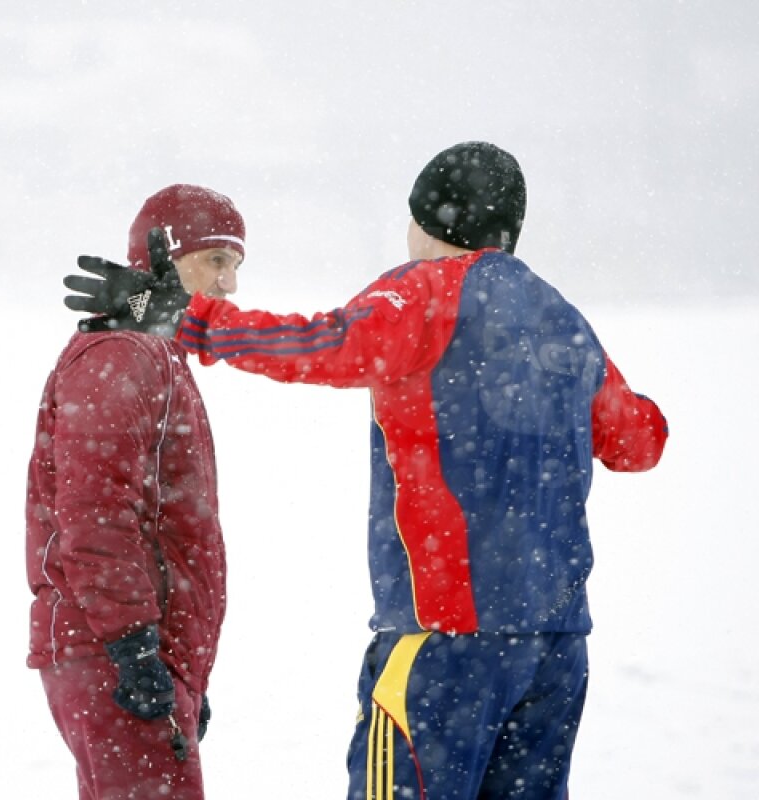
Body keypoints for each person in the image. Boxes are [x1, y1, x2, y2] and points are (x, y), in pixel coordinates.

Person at [62, 142, 669, 799]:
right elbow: (639, 441)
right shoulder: (559, 319)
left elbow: (318, 343)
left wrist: (192, 318)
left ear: (431, 220)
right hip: (554, 648)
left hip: (444, 641)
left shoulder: (427, 293)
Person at [26, 183, 247, 799]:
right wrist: (134, 648)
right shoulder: (122, 355)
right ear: (165, 256)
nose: (230, 284)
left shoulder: (156, 352)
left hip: (141, 651)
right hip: (110, 652)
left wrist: (182, 672)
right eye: (217, 261)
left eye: (236, 265)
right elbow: (94, 512)